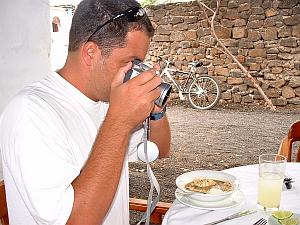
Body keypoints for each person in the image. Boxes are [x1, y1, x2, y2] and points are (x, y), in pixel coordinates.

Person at [0, 0, 171, 224]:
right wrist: (118, 121)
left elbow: (160, 148)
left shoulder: (108, 100)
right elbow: (75, 219)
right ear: (91, 53)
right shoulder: (30, 112)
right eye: (132, 62)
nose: (137, 73)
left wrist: (156, 109)